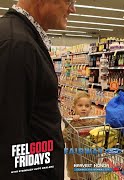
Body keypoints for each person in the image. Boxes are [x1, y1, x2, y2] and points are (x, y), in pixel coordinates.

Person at [0, 0, 76, 179]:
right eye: (69, 1)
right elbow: (8, 140)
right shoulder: (18, 45)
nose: (73, 8)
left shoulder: (22, 38)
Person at [63, 91, 104, 180]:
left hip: (91, 166)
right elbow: (64, 139)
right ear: (74, 108)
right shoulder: (71, 124)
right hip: (75, 168)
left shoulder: (95, 123)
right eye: (80, 105)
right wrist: (72, 123)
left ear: (91, 108)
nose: (83, 108)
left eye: (87, 106)